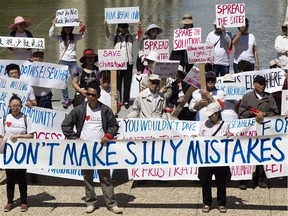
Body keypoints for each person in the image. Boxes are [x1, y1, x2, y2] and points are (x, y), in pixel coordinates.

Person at [61, 81, 122, 214]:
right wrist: (74, 138)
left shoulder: (105, 109)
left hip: (102, 148)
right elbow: (66, 126)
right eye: (88, 94)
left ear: (98, 96)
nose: (90, 97)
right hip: (85, 149)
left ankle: (111, 204)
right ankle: (90, 202)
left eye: (93, 95)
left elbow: (114, 126)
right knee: (87, 176)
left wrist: (107, 136)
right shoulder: (79, 109)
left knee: (105, 177)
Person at [238, 75, 279, 190]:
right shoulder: (247, 97)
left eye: (263, 83)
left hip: (264, 130)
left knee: (262, 154)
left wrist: (265, 115)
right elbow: (241, 113)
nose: (262, 85)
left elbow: (275, 112)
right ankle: (244, 180)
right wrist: (252, 114)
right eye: (260, 83)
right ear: (254, 84)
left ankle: (260, 178)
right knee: (247, 154)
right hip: (249, 131)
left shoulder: (269, 97)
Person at [0, 95, 35, 212]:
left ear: (21, 106)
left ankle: (24, 202)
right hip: (9, 153)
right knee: (9, 177)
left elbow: (31, 135)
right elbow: (1, 137)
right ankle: (10, 202)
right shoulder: (4, 119)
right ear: (9, 106)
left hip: (22, 152)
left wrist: (19, 136)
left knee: (21, 177)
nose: (15, 108)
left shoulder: (26, 118)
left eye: (18, 106)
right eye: (13, 106)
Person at [198, 102, 232, 213]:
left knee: (221, 181)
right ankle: (207, 202)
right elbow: (200, 137)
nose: (209, 116)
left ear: (217, 114)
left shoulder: (225, 125)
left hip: (220, 158)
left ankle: (221, 203)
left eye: (212, 114)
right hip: (206, 158)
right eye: (209, 114)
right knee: (205, 181)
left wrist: (230, 136)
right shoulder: (203, 124)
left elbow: (228, 138)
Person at [49, 18, 87, 109]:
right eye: (66, 27)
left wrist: (82, 26)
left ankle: (77, 96)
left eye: (69, 27)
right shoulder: (59, 37)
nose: (67, 29)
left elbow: (84, 35)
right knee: (63, 81)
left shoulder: (75, 37)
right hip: (63, 61)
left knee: (76, 80)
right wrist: (53, 25)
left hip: (73, 61)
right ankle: (66, 99)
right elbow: (51, 35)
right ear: (63, 28)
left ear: (71, 28)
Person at [104, 21, 141, 109]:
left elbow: (139, 36)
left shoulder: (130, 37)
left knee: (127, 83)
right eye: (123, 27)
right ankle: (119, 100)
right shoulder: (115, 37)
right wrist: (106, 27)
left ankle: (126, 101)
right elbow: (108, 35)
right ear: (119, 28)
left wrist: (139, 27)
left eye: (126, 27)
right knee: (118, 82)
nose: (125, 29)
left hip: (129, 62)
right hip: (118, 64)